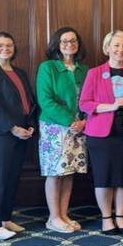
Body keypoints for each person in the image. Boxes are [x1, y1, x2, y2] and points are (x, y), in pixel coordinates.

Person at [79, 30, 123, 235]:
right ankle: (106, 219)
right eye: (116, 45)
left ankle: (120, 217)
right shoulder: (94, 73)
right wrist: (111, 105)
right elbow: (84, 104)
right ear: (107, 48)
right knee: (104, 177)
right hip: (101, 133)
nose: (120, 49)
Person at [0, 32, 36, 240]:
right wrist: (12, 128)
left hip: (21, 133)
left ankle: (4, 219)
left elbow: (28, 101)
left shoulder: (19, 72)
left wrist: (29, 125)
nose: (5, 49)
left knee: (11, 177)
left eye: (9, 45)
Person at [36, 27, 88, 233]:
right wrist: (70, 121)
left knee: (69, 173)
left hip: (79, 128)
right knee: (55, 172)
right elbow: (45, 100)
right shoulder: (47, 67)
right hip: (54, 128)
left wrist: (83, 121)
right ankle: (53, 217)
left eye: (73, 41)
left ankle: (64, 214)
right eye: (65, 41)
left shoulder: (84, 70)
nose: (69, 44)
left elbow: (90, 98)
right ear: (57, 44)